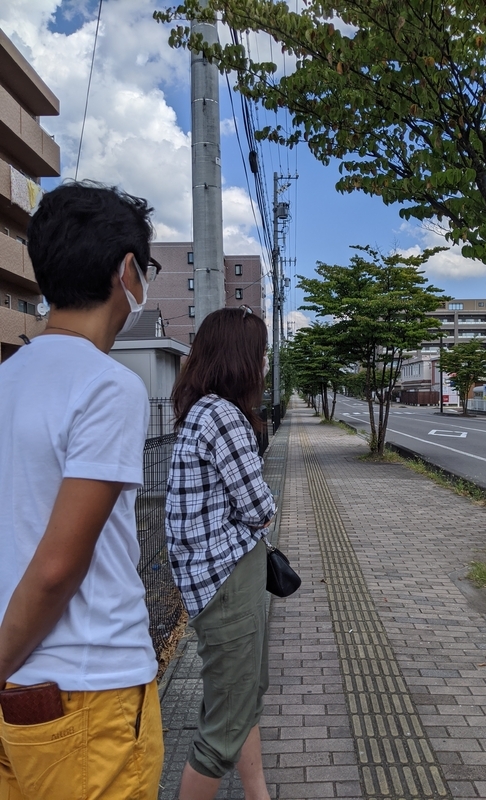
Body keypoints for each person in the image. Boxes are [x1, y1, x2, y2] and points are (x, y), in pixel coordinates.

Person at [0, 181, 164, 800]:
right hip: (92, 694)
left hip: (18, 694)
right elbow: (58, 566)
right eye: (143, 270)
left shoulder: (7, 380)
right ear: (128, 272)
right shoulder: (105, 385)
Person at [166, 306, 275, 800]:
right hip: (228, 580)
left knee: (240, 700)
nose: (266, 362)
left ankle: (258, 795)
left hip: (208, 581)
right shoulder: (226, 416)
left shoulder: (199, 411)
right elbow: (259, 507)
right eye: (262, 353)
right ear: (241, 359)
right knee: (221, 730)